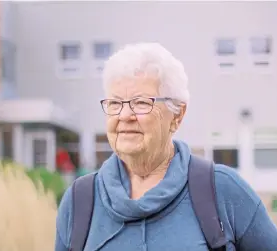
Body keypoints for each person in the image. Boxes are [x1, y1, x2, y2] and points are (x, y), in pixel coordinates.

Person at [55, 43, 277, 251]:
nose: (124, 115)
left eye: (141, 102)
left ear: (177, 115)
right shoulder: (79, 201)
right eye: (114, 103)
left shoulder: (224, 191)